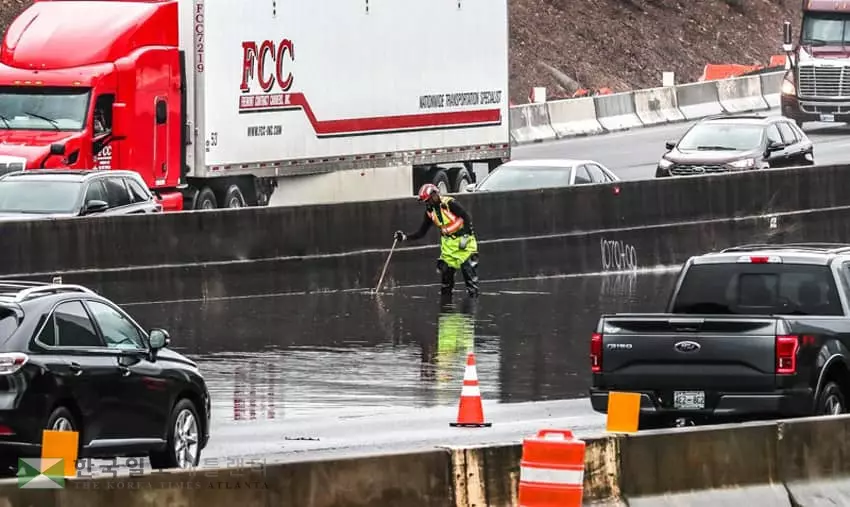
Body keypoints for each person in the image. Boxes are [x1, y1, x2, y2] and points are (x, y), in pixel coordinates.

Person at [394, 183, 480, 297]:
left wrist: (466, 236)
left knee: (468, 273)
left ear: (435, 195)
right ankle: (446, 308)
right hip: (448, 246)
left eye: (430, 200)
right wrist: (405, 237)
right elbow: (421, 232)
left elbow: (466, 217)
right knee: (446, 279)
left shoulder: (449, 204)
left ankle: (473, 303)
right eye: (426, 202)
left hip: (464, 243)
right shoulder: (430, 213)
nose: (429, 203)